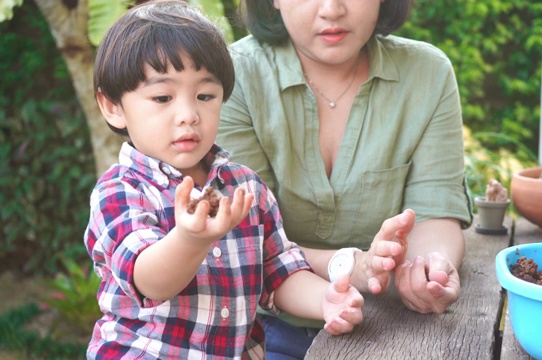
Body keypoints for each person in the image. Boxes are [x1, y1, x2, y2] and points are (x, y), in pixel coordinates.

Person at [81, 1, 409, 358]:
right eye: (162, 97)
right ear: (113, 106)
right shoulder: (120, 191)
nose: (189, 115)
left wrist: (325, 301)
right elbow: (149, 282)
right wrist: (189, 239)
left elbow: (280, 270)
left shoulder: (245, 187)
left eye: (205, 96)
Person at [217, 0, 474, 358]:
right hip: (259, 328)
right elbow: (248, 240)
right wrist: (355, 266)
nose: (332, 9)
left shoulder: (428, 74)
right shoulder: (232, 75)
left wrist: (429, 268)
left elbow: (435, 209)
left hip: (392, 324)